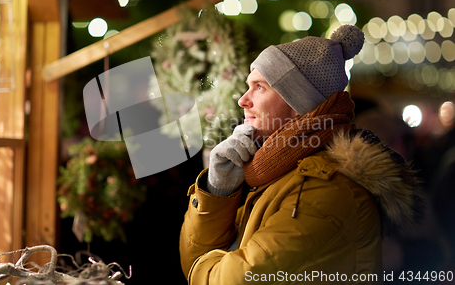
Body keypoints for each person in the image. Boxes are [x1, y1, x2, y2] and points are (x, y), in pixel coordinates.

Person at [179, 25, 422, 284]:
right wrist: (217, 191)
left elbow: (224, 280)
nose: (243, 100)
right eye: (248, 86)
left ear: (298, 104)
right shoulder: (280, 172)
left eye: (259, 87)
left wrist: (207, 261)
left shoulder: (326, 189)